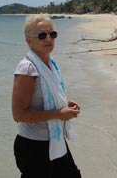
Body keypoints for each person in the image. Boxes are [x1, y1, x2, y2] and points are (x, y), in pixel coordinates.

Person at [12, 14, 81, 178]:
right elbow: (18, 114)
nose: (48, 39)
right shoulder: (27, 68)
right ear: (28, 40)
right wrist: (58, 114)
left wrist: (64, 103)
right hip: (34, 147)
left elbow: (47, 96)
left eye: (52, 34)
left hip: (54, 141)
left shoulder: (50, 63)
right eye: (42, 35)